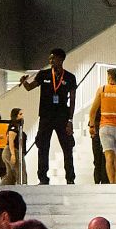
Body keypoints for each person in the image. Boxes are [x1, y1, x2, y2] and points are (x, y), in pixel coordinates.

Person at [20, 49, 79, 185]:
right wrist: (24, 83)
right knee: (42, 146)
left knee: (67, 147)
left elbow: (73, 100)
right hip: (45, 117)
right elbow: (29, 87)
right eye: (50, 58)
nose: (50, 61)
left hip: (62, 117)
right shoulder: (44, 74)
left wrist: (70, 120)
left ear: (61, 59)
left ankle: (70, 178)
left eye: (53, 58)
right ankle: (43, 178)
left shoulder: (70, 77)